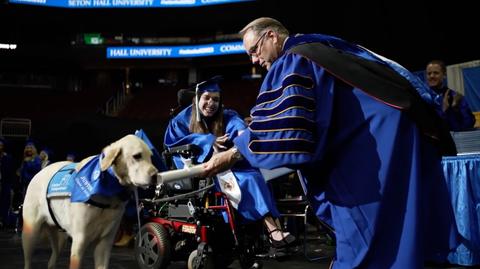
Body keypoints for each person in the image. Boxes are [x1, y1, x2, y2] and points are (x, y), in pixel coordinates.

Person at [202, 17, 459, 269]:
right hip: (400, 131)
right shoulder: (323, 47)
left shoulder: (294, 59)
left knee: (365, 230)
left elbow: (284, 130)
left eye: (254, 51)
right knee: (402, 216)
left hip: (372, 144)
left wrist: (234, 152)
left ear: (272, 35)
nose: (255, 61)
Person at [164, 76, 295, 248]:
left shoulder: (226, 115)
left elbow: (238, 127)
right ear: (197, 99)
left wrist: (244, 134)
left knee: (259, 174)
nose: (211, 103)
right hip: (204, 171)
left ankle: (271, 231)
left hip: (229, 167)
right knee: (251, 179)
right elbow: (173, 145)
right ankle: (273, 231)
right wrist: (208, 141)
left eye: (216, 99)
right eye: (207, 98)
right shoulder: (181, 120)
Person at [426, 59, 475, 131]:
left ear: (444, 75)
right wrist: (444, 111)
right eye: (429, 73)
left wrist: (456, 110)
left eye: (436, 73)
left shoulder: (454, 97)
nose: (432, 76)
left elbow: (468, 125)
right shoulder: (423, 98)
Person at [0, 138, 15, 228]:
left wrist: (11, 186)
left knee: (5, 202)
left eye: (1, 145)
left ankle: (4, 221)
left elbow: (10, 172)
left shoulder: (7, 158)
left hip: (5, 183)